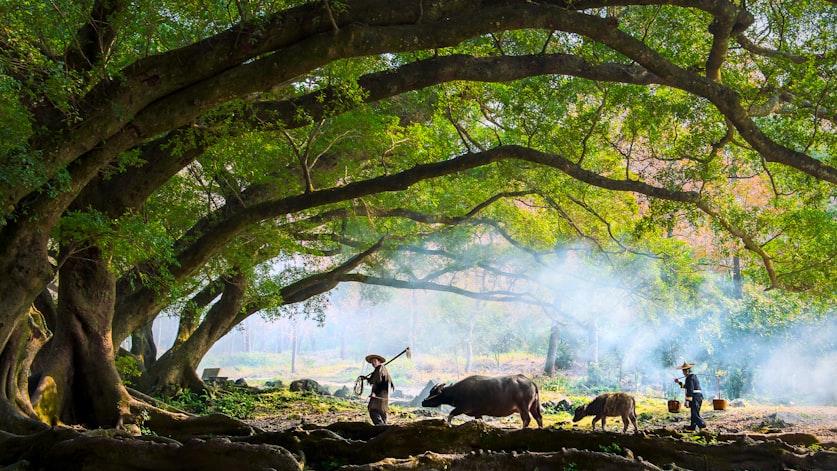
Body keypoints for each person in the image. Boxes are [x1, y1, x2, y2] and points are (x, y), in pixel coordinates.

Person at [675, 361, 707, 432]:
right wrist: (679, 382)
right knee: (694, 413)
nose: (683, 373)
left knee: (695, 414)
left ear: (686, 371)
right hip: (698, 396)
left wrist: (687, 401)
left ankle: (703, 426)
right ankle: (692, 428)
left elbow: (690, 390)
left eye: (683, 371)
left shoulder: (689, 378)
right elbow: (687, 386)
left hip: (695, 397)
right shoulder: (693, 376)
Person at [365, 353, 393, 425]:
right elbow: (373, 380)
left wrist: (375, 393)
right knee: (381, 412)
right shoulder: (377, 370)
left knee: (373, 410)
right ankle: (384, 427)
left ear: (379, 361)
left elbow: (383, 383)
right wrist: (366, 378)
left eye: (375, 361)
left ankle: (380, 427)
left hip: (381, 394)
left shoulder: (381, 369)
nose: (373, 363)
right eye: (372, 362)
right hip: (381, 394)